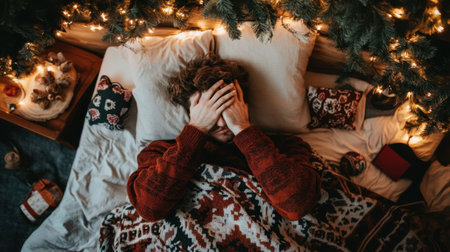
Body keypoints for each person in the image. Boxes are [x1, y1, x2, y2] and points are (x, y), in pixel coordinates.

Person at [127, 55, 321, 221]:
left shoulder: (285, 146)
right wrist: (197, 128)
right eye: (210, 111)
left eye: (228, 107)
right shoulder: (161, 152)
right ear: (191, 114)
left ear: (243, 105)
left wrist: (243, 129)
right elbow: (149, 209)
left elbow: (297, 206)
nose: (221, 123)